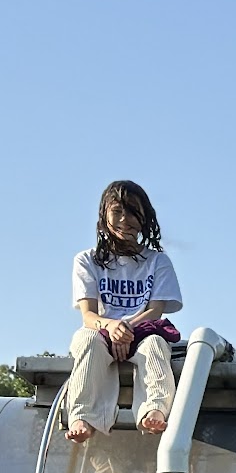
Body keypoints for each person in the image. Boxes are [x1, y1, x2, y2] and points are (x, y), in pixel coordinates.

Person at [64, 180, 183, 443]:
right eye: (117, 211)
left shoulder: (157, 261)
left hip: (142, 331)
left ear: (144, 217)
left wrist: (127, 330)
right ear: (104, 215)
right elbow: (88, 315)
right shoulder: (86, 260)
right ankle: (82, 416)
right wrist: (111, 328)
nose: (124, 220)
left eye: (132, 212)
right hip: (100, 331)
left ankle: (155, 408)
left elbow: (155, 311)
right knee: (87, 342)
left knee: (155, 346)